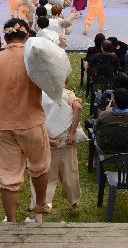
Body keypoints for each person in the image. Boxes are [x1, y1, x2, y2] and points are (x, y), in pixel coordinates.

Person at [0, 18, 51, 223]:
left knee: (8, 179)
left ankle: (11, 220)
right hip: (33, 122)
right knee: (40, 166)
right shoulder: (35, 58)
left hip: (4, 126)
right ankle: (41, 202)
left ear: (5, 38)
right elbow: (59, 81)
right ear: (27, 36)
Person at [31, 81, 83, 212]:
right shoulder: (68, 94)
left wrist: (45, 139)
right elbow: (78, 108)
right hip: (66, 140)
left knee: (46, 174)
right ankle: (74, 203)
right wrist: (72, 133)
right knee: (70, 173)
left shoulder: (38, 95)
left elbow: (32, 119)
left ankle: (43, 203)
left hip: (48, 141)